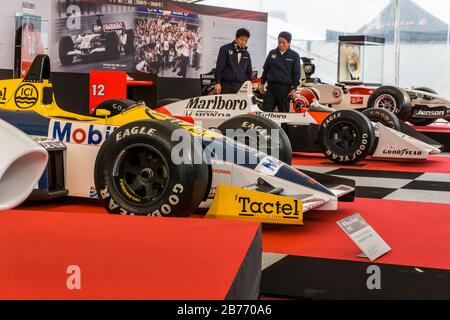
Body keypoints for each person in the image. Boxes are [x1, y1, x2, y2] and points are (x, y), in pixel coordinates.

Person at [259, 31, 301, 112]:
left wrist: (295, 88)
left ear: (289, 43)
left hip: (285, 91)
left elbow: (296, 74)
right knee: (266, 114)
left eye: (283, 42)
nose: (281, 44)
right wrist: (262, 83)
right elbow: (266, 69)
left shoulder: (294, 56)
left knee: (284, 116)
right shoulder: (272, 53)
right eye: (279, 42)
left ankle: (284, 126)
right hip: (271, 89)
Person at [215, 28, 253, 94]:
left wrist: (248, 84)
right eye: (241, 39)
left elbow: (249, 71)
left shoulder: (247, 54)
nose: (243, 43)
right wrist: (218, 83)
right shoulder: (225, 49)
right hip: (226, 86)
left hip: (241, 87)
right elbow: (219, 68)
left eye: (246, 40)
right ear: (236, 38)